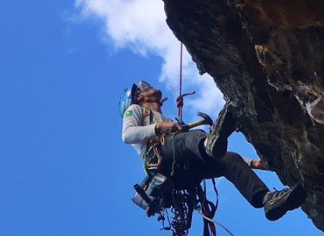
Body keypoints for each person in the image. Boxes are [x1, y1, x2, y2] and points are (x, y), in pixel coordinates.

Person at [120, 81, 305, 220]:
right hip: (162, 160)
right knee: (193, 136)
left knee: (230, 160)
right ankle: (208, 144)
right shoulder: (136, 110)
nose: (149, 87)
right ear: (138, 97)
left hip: (184, 175)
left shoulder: (164, 117)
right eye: (143, 88)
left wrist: (252, 163)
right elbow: (127, 135)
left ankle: (267, 199)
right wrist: (160, 127)